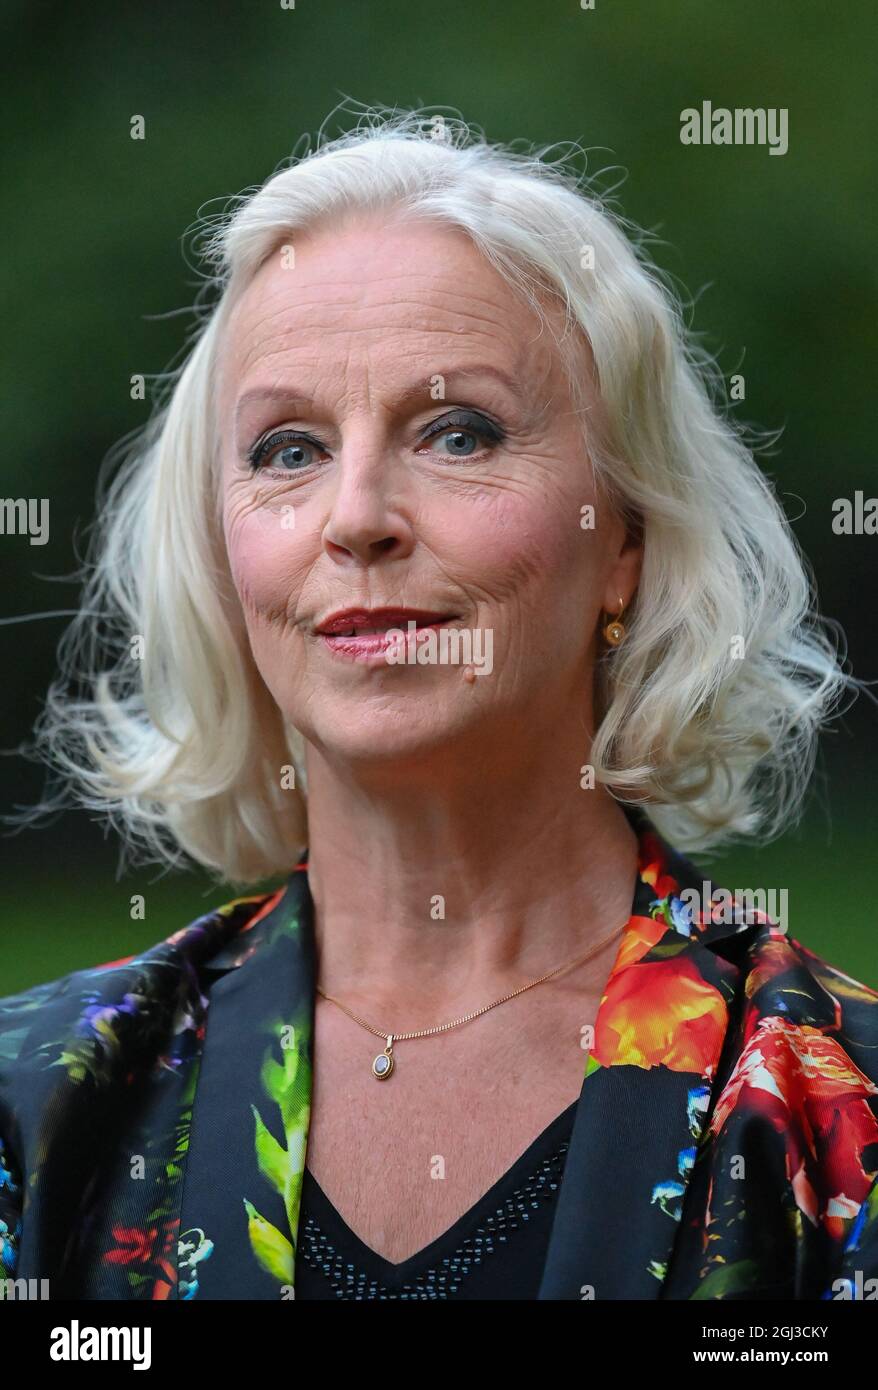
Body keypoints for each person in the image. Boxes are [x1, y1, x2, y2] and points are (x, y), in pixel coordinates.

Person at [1, 108, 876, 1301]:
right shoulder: (37, 1104)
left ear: (621, 537)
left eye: (456, 432)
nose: (355, 515)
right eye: (288, 449)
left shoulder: (840, 1112)